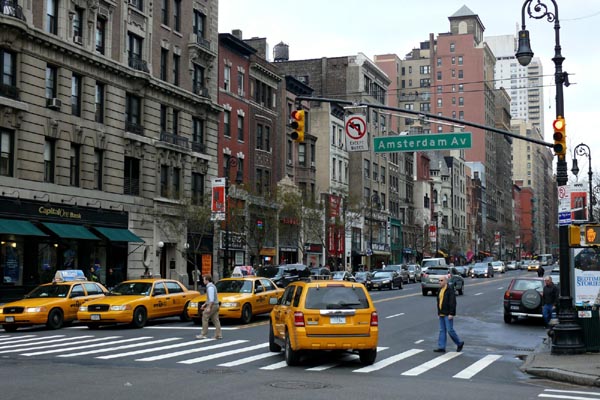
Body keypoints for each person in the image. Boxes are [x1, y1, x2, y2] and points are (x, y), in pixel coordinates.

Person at [434, 276, 464, 353]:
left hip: (448, 313)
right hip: (441, 313)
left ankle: (459, 343)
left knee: (450, 330)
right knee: (442, 330)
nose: (440, 282)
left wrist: (451, 313)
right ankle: (441, 347)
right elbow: (439, 302)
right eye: (439, 281)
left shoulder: (450, 290)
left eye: (441, 280)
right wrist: (439, 312)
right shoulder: (440, 290)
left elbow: (453, 302)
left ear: (445, 281)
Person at [196, 274, 222, 340]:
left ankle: (203, 334)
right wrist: (204, 304)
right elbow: (210, 299)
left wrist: (209, 307)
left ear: (207, 280)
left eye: (204, 280)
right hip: (216, 304)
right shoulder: (212, 286)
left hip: (213, 305)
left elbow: (211, 299)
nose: (203, 281)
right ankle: (218, 335)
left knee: (205, 316)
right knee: (215, 320)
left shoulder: (210, 287)